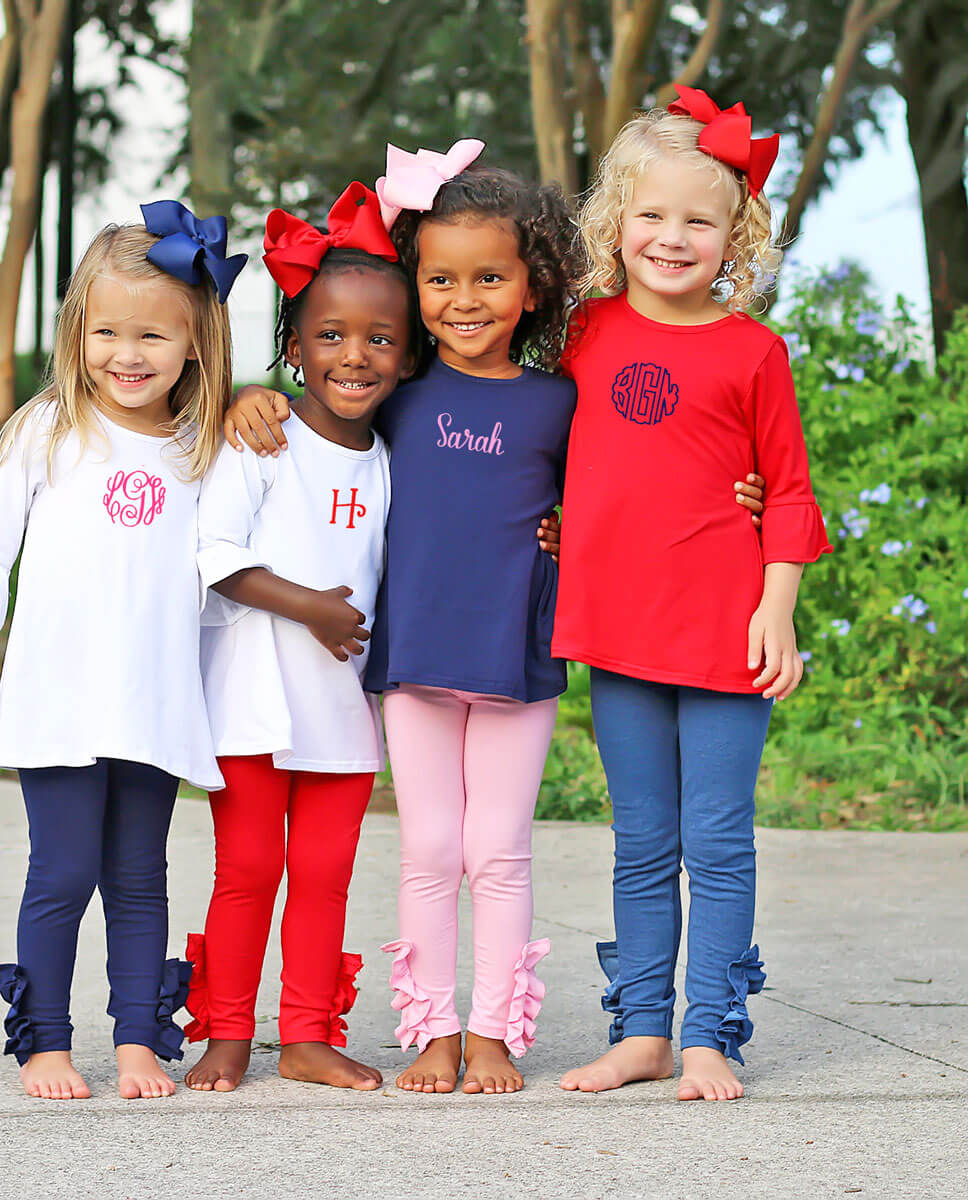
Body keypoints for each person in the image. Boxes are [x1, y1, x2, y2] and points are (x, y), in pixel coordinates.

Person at [223, 142, 766, 1097]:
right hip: (414, 660)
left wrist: (742, 494)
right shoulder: (396, 398)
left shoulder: (566, 400)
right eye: (438, 279)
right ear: (413, 284)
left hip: (519, 657)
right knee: (431, 850)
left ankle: (494, 1034)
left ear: (533, 286)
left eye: (488, 278)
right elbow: (320, 408)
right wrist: (248, 399)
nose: (462, 300)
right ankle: (432, 1029)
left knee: (500, 852)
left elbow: (648, 461)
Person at [0, 205, 245, 1101]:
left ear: (198, 341)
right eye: (106, 332)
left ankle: (137, 1037)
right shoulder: (49, 429)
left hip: (153, 696)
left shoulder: (201, 446)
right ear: (75, 333)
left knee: (140, 875)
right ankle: (44, 1040)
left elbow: (232, 566)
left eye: (153, 336)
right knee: (62, 872)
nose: (127, 355)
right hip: (59, 692)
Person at [554, 87, 832, 1102]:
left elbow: (789, 489)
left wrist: (777, 607)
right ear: (616, 225)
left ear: (735, 235)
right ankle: (641, 1032)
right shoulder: (580, 335)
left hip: (723, 627)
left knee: (716, 840)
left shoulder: (754, 352)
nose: (673, 238)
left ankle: (709, 1032)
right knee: (641, 841)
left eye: (699, 221)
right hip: (616, 629)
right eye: (652, 216)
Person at [181, 183, 417, 1094]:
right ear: (292, 349)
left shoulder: (393, 459)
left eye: (379, 340)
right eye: (330, 336)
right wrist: (306, 604)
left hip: (342, 707)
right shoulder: (261, 440)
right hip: (250, 699)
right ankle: (229, 1033)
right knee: (247, 868)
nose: (354, 355)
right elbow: (213, 553)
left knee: (324, 873)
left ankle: (311, 1034)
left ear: (404, 358)